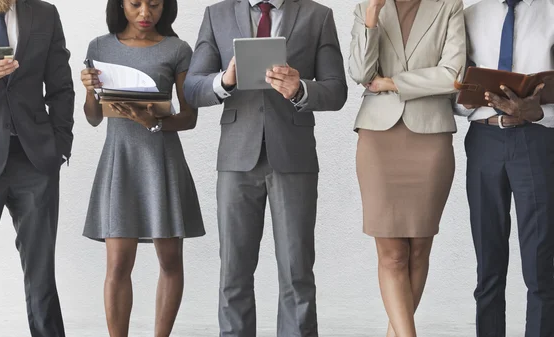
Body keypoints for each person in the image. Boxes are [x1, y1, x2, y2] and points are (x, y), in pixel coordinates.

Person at [183, 0, 347, 336]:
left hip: (293, 155)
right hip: (235, 157)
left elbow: (337, 90)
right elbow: (192, 87)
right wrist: (225, 81)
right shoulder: (217, 14)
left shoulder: (318, 16)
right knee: (233, 272)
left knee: (296, 271)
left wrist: (300, 88)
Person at [80, 0, 205, 336]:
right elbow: (93, 117)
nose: (145, 13)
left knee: (170, 260)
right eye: (135, 4)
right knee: (118, 264)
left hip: (161, 159)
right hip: (119, 160)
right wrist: (90, 91)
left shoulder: (178, 49)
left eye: (154, 4)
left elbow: (189, 118)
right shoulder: (99, 46)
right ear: (120, 5)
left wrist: (154, 122)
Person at [0, 0, 74, 335]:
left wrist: (60, 145)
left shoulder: (45, 13)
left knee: (42, 281)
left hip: (35, 161)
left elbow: (61, 85)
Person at [348, 0, 465, 335]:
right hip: (378, 140)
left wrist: (391, 83)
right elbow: (360, 72)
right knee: (393, 254)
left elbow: (452, 76)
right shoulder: (366, 8)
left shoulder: (448, 6)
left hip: (430, 138)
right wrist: (372, 15)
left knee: (417, 251)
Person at [454, 0, 554, 336]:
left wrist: (535, 112)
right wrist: (464, 97)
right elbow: (453, 86)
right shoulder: (468, 15)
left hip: (537, 141)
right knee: (488, 260)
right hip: (484, 140)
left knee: (540, 263)